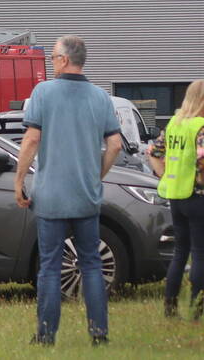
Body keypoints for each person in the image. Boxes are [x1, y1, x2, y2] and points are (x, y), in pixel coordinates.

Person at [13, 35, 123, 346]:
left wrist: (19, 181)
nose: (52, 63)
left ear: (63, 60)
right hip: (86, 196)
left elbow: (32, 140)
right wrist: (95, 175)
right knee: (91, 263)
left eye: (53, 58)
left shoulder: (44, 92)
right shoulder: (100, 97)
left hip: (51, 196)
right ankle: (99, 335)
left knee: (49, 265)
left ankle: (46, 335)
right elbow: (114, 144)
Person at [147, 79, 204, 321]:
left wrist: (164, 176)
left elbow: (153, 152)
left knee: (180, 252)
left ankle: (170, 307)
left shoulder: (174, 124)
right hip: (198, 196)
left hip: (176, 197)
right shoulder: (200, 127)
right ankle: (196, 309)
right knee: (201, 254)